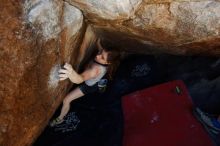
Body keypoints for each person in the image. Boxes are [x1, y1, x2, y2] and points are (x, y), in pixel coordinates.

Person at [49, 38, 121, 127]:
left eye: (102, 57)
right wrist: (98, 42)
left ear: (108, 63)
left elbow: (80, 79)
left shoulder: (95, 70)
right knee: (101, 82)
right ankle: (101, 85)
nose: (98, 56)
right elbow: (100, 49)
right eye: (101, 52)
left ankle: (60, 118)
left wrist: (70, 72)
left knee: (66, 100)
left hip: (88, 86)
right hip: (96, 79)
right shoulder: (105, 59)